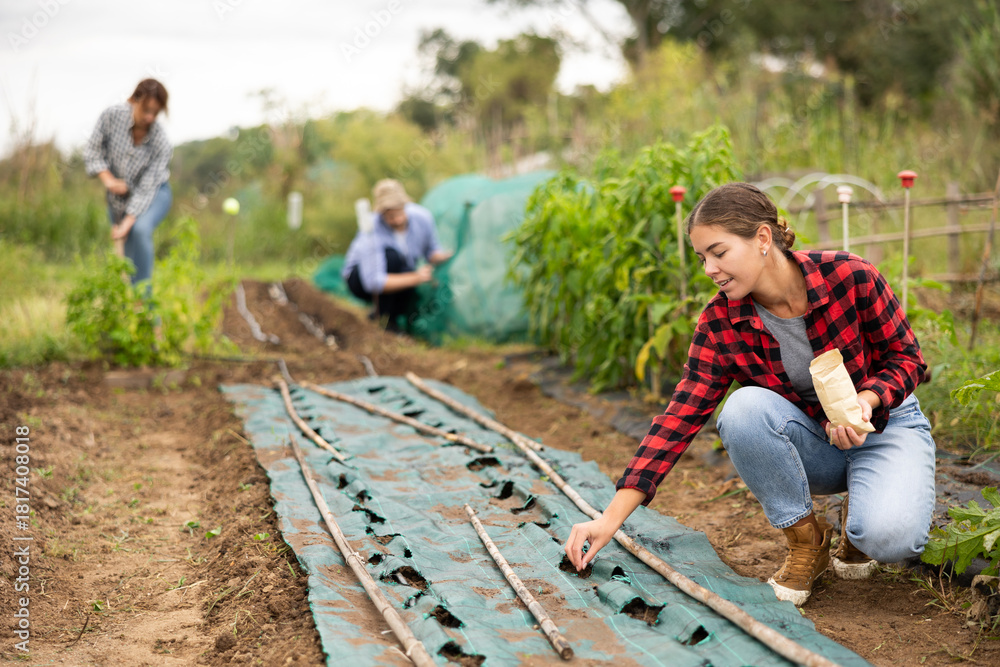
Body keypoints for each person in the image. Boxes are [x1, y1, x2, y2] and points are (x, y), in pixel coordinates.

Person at [564, 182, 936, 607]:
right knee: (741, 409)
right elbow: (678, 417)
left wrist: (866, 401)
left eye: (719, 253)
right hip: (815, 437)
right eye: (702, 258)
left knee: (890, 539)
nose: (709, 269)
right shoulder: (721, 321)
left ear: (762, 238)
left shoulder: (849, 277)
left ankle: (864, 510)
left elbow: (906, 357)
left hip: (885, 424)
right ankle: (806, 540)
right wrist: (609, 521)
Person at [84, 78, 173, 286]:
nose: (150, 117)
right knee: (129, 259)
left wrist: (127, 222)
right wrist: (109, 180)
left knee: (140, 230)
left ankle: (146, 307)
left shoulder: (161, 141)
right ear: (134, 100)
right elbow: (92, 151)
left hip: (155, 194)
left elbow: (147, 187)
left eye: (156, 112)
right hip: (118, 198)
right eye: (146, 110)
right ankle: (129, 307)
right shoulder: (111, 117)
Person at [342, 179, 453, 331]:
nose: (398, 219)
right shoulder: (371, 229)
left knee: (406, 275)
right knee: (392, 258)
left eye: (400, 212)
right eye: (391, 216)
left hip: (400, 273)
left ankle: (388, 316)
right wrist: (416, 277)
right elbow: (373, 281)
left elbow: (431, 250)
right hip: (360, 281)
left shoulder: (423, 218)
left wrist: (438, 256)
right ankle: (385, 321)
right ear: (381, 213)